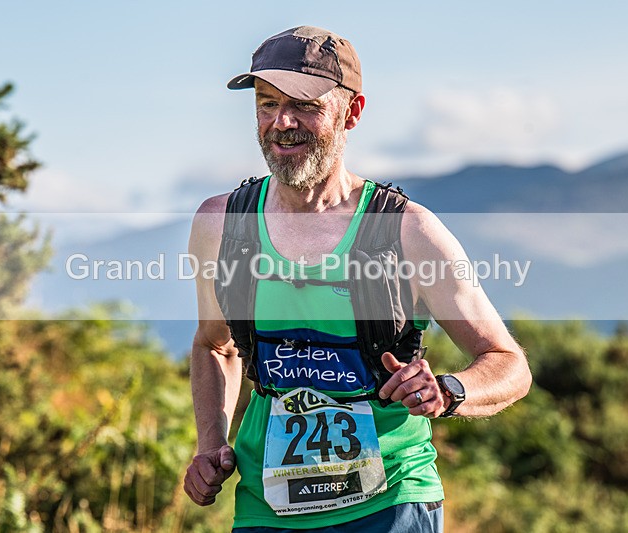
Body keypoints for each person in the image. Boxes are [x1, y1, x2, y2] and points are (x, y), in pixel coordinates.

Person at [183, 26, 532, 532]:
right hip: (267, 504)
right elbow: (216, 345)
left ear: (352, 112)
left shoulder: (408, 231)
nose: (281, 123)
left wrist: (449, 389)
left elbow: (508, 364)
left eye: (304, 106)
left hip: (390, 499)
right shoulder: (221, 225)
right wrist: (211, 443)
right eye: (265, 104)